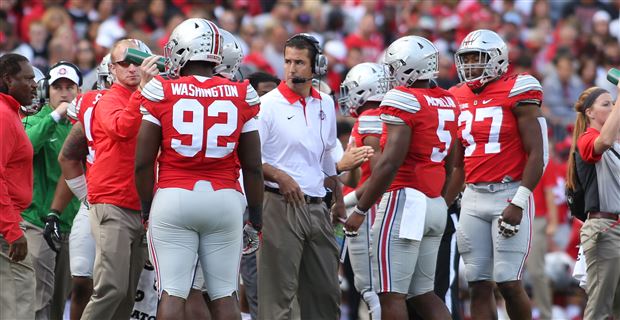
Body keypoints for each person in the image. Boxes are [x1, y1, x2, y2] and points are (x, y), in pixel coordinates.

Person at [134, 18, 263, 320]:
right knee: (225, 295)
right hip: (224, 200)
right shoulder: (241, 92)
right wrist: (255, 216)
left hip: (174, 195)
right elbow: (253, 167)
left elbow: (142, 162)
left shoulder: (162, 90)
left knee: (172, 292)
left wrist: (146, 207)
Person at [345, 35, 456, 320]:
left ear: (408, 69)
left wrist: (360, 210)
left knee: (390, 293)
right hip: (434, 202)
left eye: (394, 67)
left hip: (404, 201)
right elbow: (455, 163)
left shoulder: (403, 99)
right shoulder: (447, 100)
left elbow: (389, 163)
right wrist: (439, 200)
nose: (390, 75)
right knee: (423, 293)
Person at [444, 29, 547, 320]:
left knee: (508, 281)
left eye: (478, 58)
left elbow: (539, 153)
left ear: (497, 58)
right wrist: (443, 205)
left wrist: (519, 201)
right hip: (473, 197)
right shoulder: (456, 96)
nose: (471, 65)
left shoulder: (519, 88)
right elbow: (457, 165)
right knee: (477, 282)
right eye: (466, 59)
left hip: (508, 193)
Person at [257, 33, 344, 320]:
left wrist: (339, 198)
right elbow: (249, 158)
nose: (291, 69)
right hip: (279, 205)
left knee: (326, 294)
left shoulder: (325, 105)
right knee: (278, 297)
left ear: (315, 66)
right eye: (287, 62)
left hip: (318, 205)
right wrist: (278, 175)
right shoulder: (267, 104)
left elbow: (327, 154)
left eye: (299, 62)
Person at [81, 38, 150, 320]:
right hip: (113, 202)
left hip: (141, 205)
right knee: (111, 287)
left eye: (139, 62)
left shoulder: (152, 97)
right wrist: (143, 91)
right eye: (126, 63)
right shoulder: (108, 98)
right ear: (113, 68)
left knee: (127, 292)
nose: (133, 68)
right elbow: (121, 128)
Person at [21, 61, 83, 320]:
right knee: (39, 301)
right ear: (47, 90)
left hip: (74, 224)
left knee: (60, 303)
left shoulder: (83, 124)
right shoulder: (32, 120)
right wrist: (55, 116)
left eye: (70, 87)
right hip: (38, 222)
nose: (64, 93)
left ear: (79, 91)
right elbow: (27, 148)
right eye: (58, 87)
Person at [58, 54, 112, 320]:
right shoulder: (91, 105)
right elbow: (68, 157)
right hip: (95, 202)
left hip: (135, 205)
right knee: (81, 280)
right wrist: (86, 195)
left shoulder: (148, 105)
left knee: (123, 285)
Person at [339, 62, 392, 319]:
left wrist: (347, 201)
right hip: (367, 205)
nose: (347, 95)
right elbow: (357, 174)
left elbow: (378, 174)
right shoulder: (376, 118)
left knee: (371, 288)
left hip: (369, 208)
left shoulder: (370, 119)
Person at [566, 86, 620, 319]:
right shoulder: (588, 138)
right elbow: (604, 139)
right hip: (604, 228)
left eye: (613, 103)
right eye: (606, 104)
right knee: (599, 308)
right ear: (590, 113)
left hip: (614, 228)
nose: (612, 107)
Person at [0, 53, 37, 320]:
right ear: (8, 80)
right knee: (18, 304)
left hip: (8, 220)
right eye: (28, 78)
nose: (34, 84)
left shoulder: (9, 112)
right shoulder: (3, 115)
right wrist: (12, 230)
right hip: (6, 225)